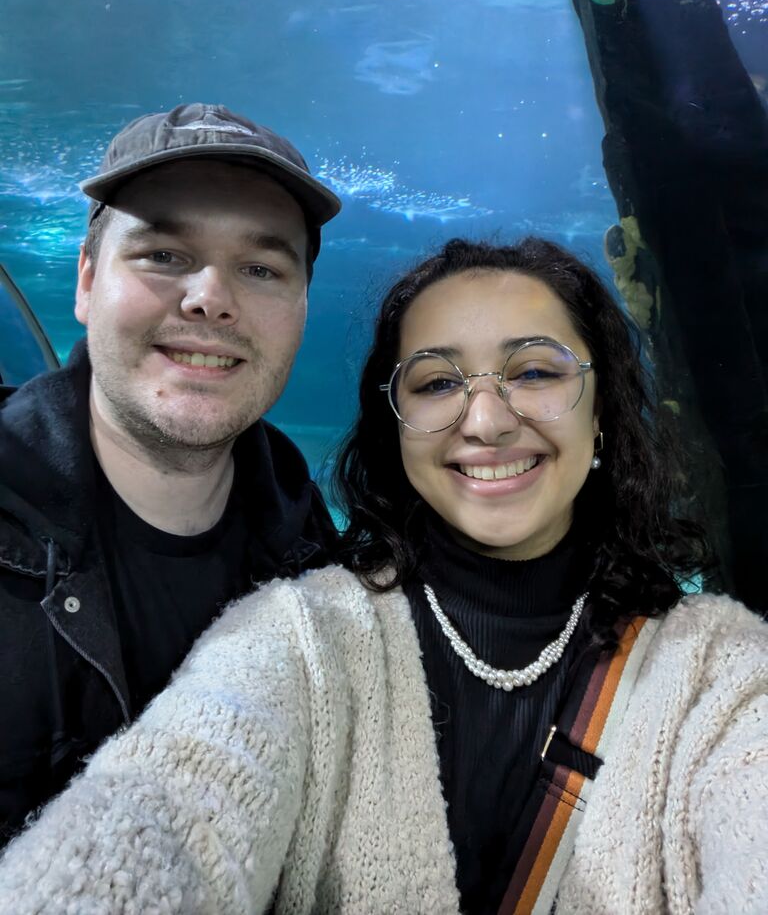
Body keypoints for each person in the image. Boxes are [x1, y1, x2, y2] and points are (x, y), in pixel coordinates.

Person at [0, 237, 765, 914]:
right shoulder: (299, 640)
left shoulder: (721, 673)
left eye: (534, 372)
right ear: (392, 423)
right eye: (436, 383)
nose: (488, 420)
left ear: (601, 411)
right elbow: (168, 812)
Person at [0, 103, 342, 846]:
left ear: (302, 309)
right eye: (163, 255)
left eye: (259, 268)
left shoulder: (321, 561)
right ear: (86, 282)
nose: (211, 298)